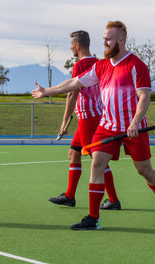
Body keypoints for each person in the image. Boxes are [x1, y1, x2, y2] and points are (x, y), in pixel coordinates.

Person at [32, 21, 155, 230]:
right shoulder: (101, 66)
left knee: (144, 170)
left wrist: (135, 122)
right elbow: (74, 83)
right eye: (104, 39)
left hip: (133, 128)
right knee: (97, 163)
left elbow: (144, 98)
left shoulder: (136, 65)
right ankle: (93, 218)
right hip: (107, 125)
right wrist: (47, 91)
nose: (105, 43)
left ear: (121, 41)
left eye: (109, 39)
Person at [48, 30, 121, 211]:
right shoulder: (98, 62)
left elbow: (72, 93)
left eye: (72, 45)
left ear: (77, 46)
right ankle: (70, 196)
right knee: (74, 153)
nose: (71, 48)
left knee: (99, 160)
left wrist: (64, 121)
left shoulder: (80, 65)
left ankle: (113, 200)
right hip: (88, 117)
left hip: (89, 117)